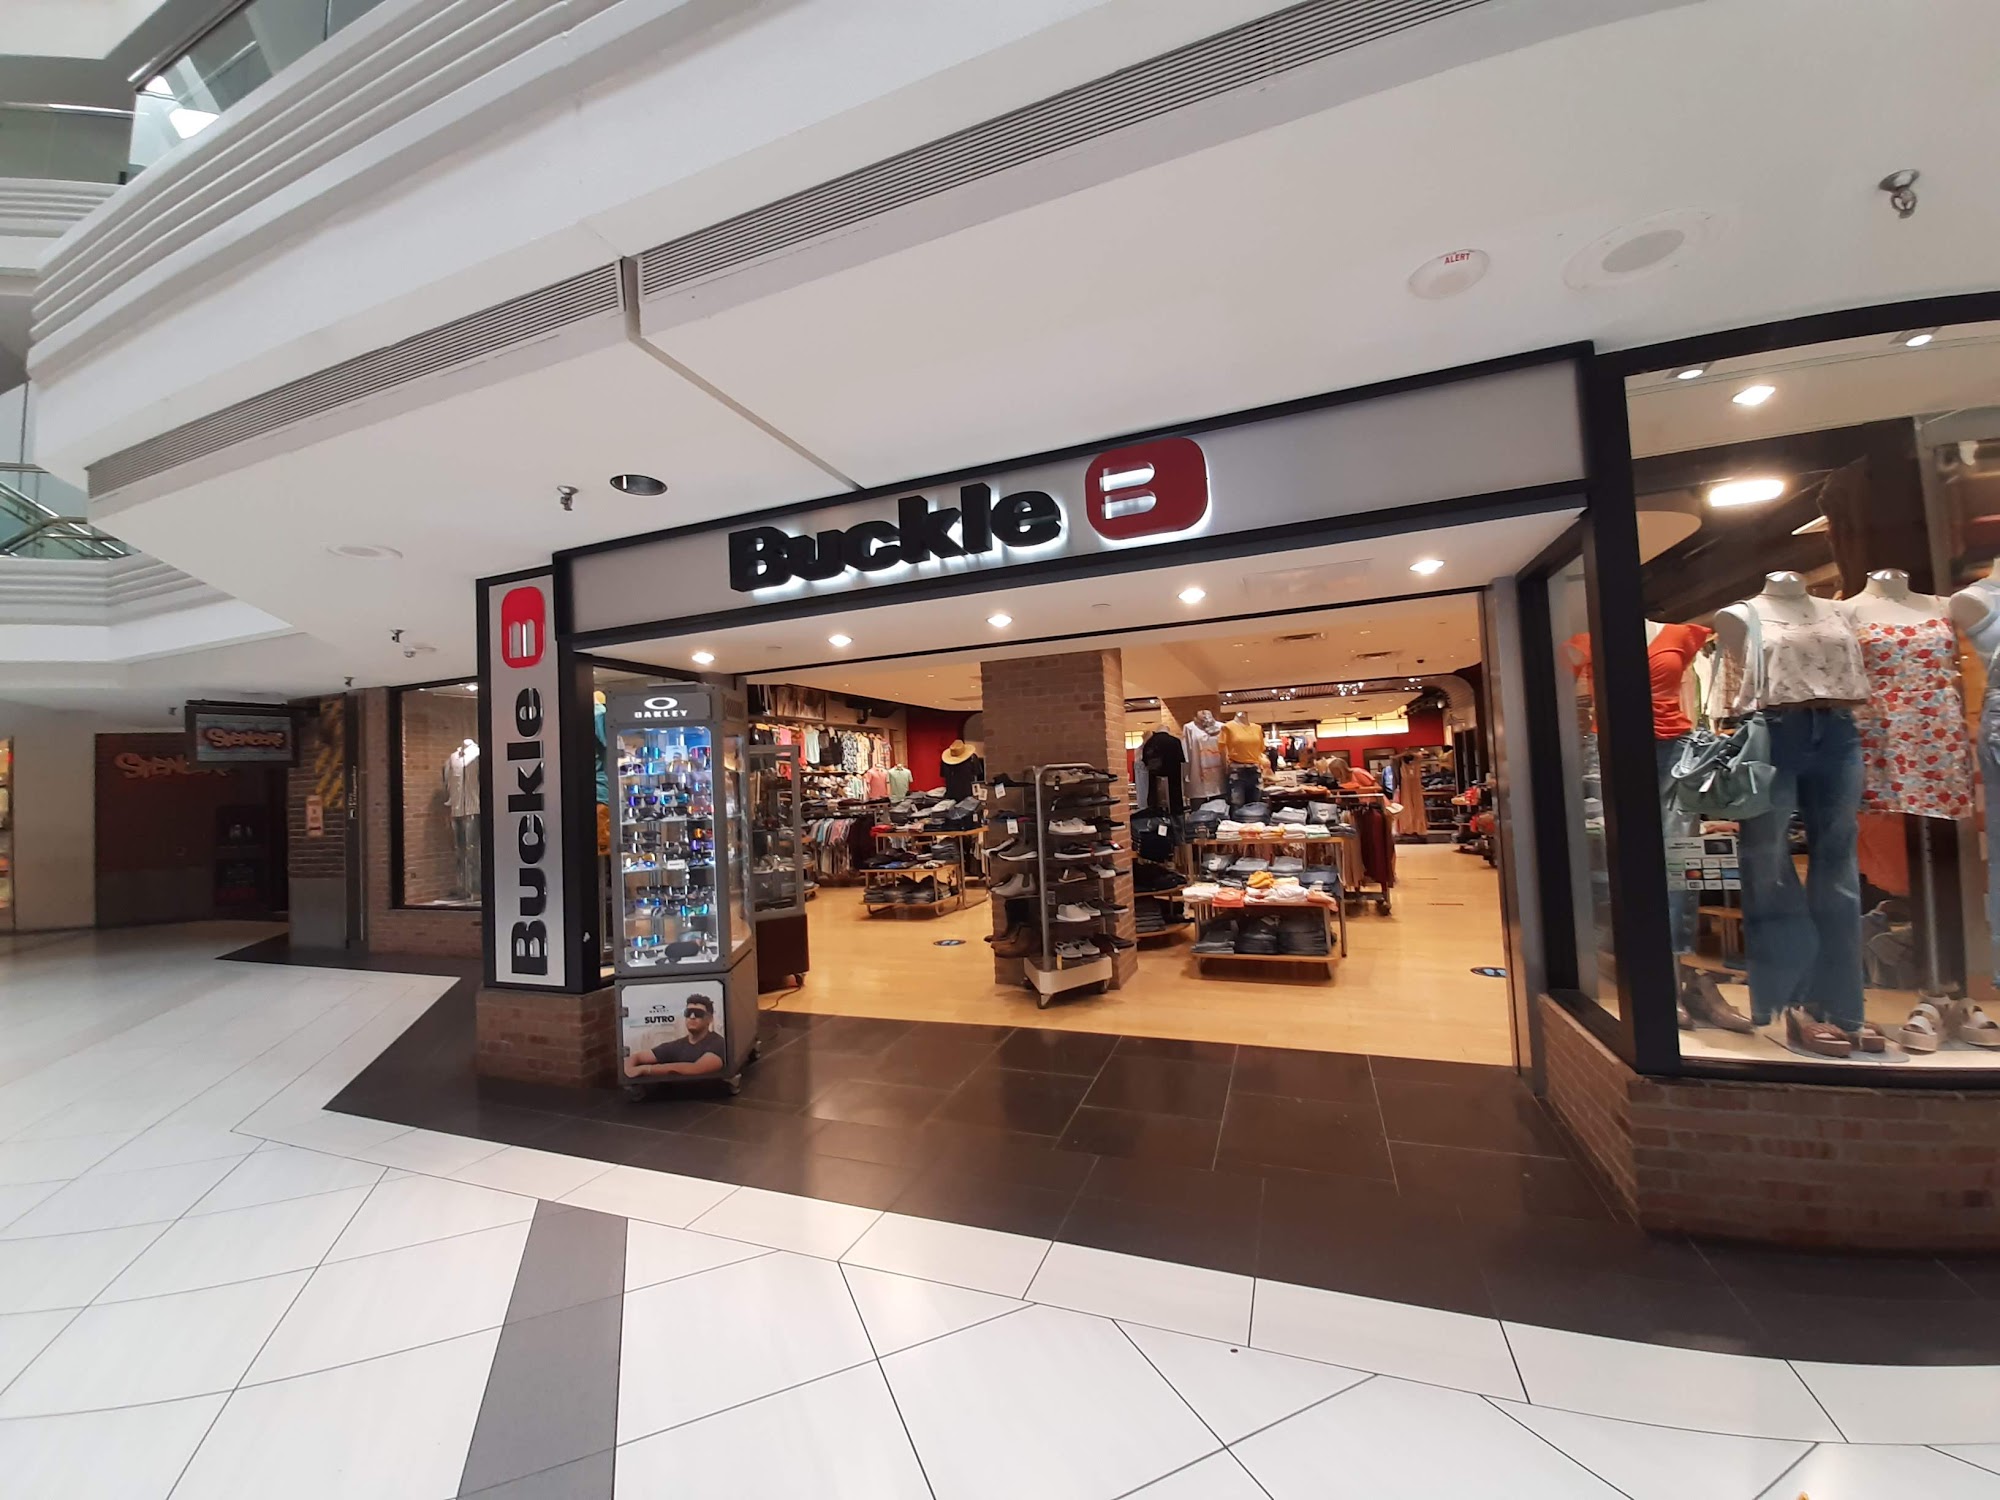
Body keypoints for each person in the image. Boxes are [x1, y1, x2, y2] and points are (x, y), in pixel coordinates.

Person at [624, 995, 726, 1078]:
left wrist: (647, 1069)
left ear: (710, 1019)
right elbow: (637, 1057)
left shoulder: (718, 1043)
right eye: (688, 1013)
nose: (692, 1017)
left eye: (698, 1013)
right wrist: (628, 1070)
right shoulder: (677, 1045)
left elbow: (696, 1069)